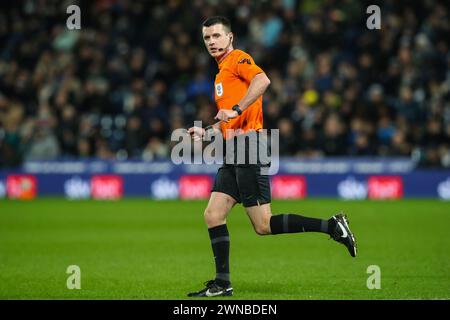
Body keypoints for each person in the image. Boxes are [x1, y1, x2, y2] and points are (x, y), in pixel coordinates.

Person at [187, 16, 357, 297]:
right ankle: (222, 283)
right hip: (233, 150)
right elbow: (229, 118)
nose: (211, 42)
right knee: (213, 214)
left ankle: (332, 226)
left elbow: (263, 80)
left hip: (249, 147)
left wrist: (237, 109)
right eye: (207, 38)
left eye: (216, 36)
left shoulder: (239, 58)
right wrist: (209, 131)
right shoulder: (220, 75)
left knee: (263, 225)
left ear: (230, 38)